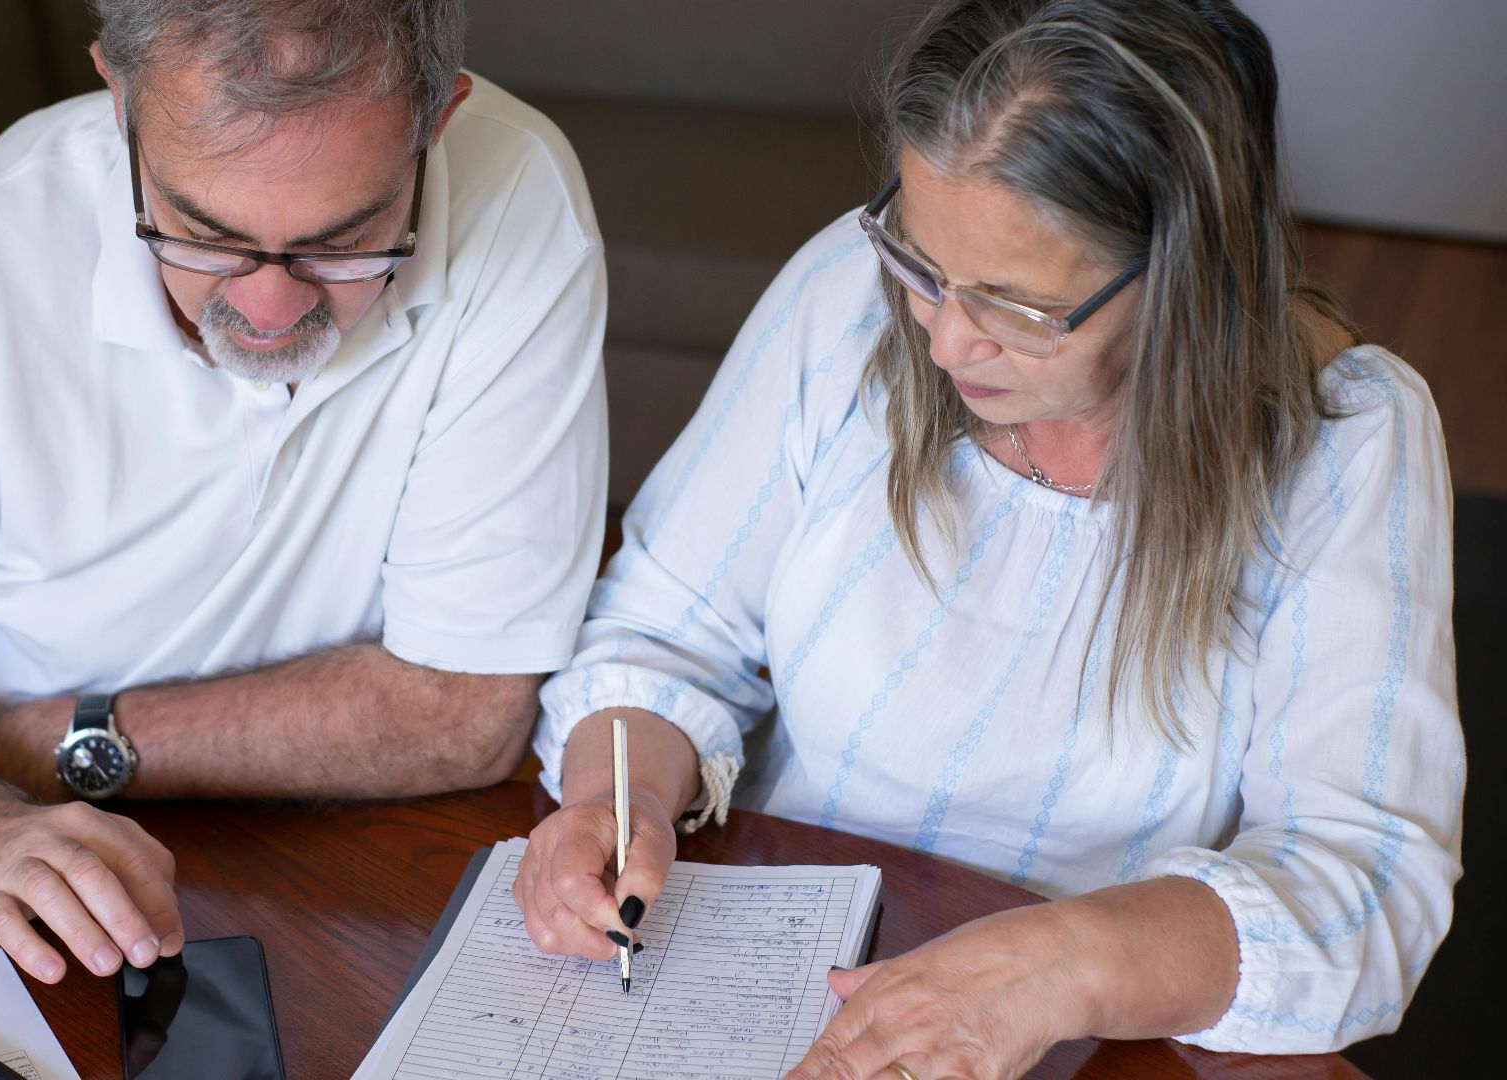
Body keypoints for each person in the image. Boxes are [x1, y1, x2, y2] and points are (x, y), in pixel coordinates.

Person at [516, 0, 1461, 1074]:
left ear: (1185, 273)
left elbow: (1366, 885)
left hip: (1100, 1038)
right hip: (763, 967)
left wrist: (1052, 967)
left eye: (1017, 305)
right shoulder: (852, 292)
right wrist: (614, 799)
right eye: (921, 264)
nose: (947, 338)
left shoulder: (1344, 439)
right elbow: (662, 628)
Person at [0, 0, 607, 987]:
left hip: (269, 839)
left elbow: (460, 707)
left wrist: (59, 740)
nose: (268, 308)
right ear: (118, 102)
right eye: (203, 234)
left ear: (440, 120)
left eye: (345, 240)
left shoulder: (517, 192)